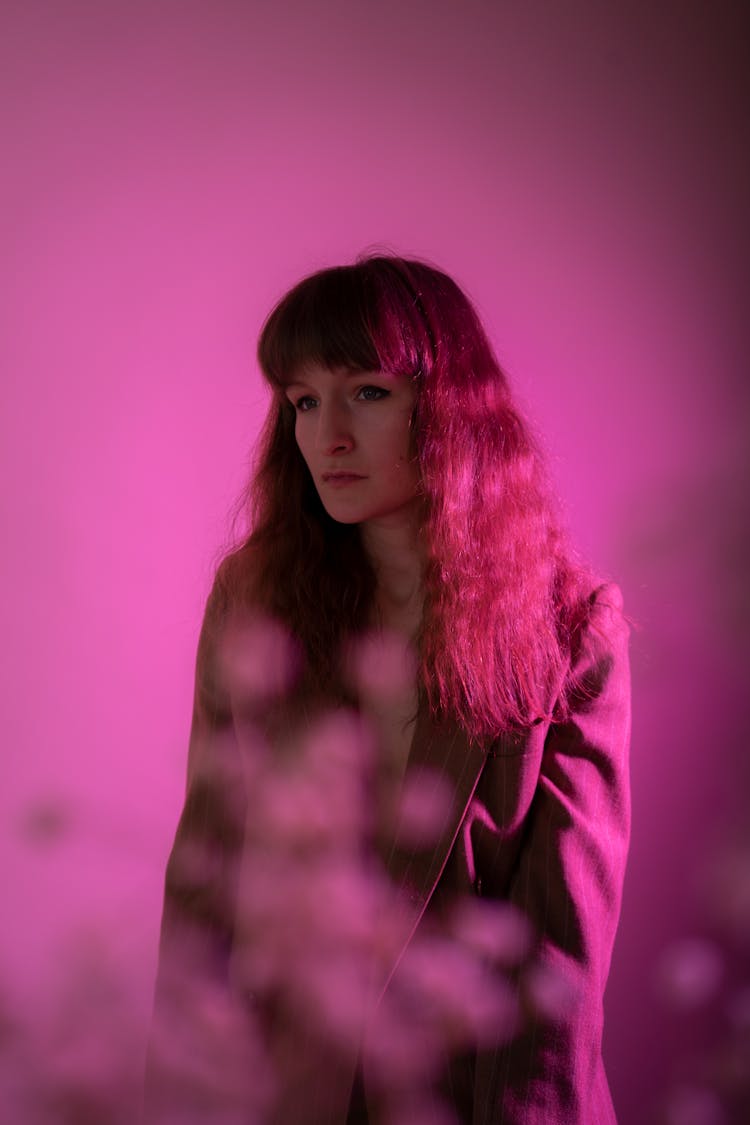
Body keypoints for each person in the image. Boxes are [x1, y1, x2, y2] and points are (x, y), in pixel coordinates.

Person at [144, 254, 631, 1124]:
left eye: (366, 393)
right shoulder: (254, 598)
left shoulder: (570, 625)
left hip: (480, 1099)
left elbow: (561, 954)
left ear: (448, 407)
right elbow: (209, 874)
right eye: (302, 400)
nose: (326, 434)